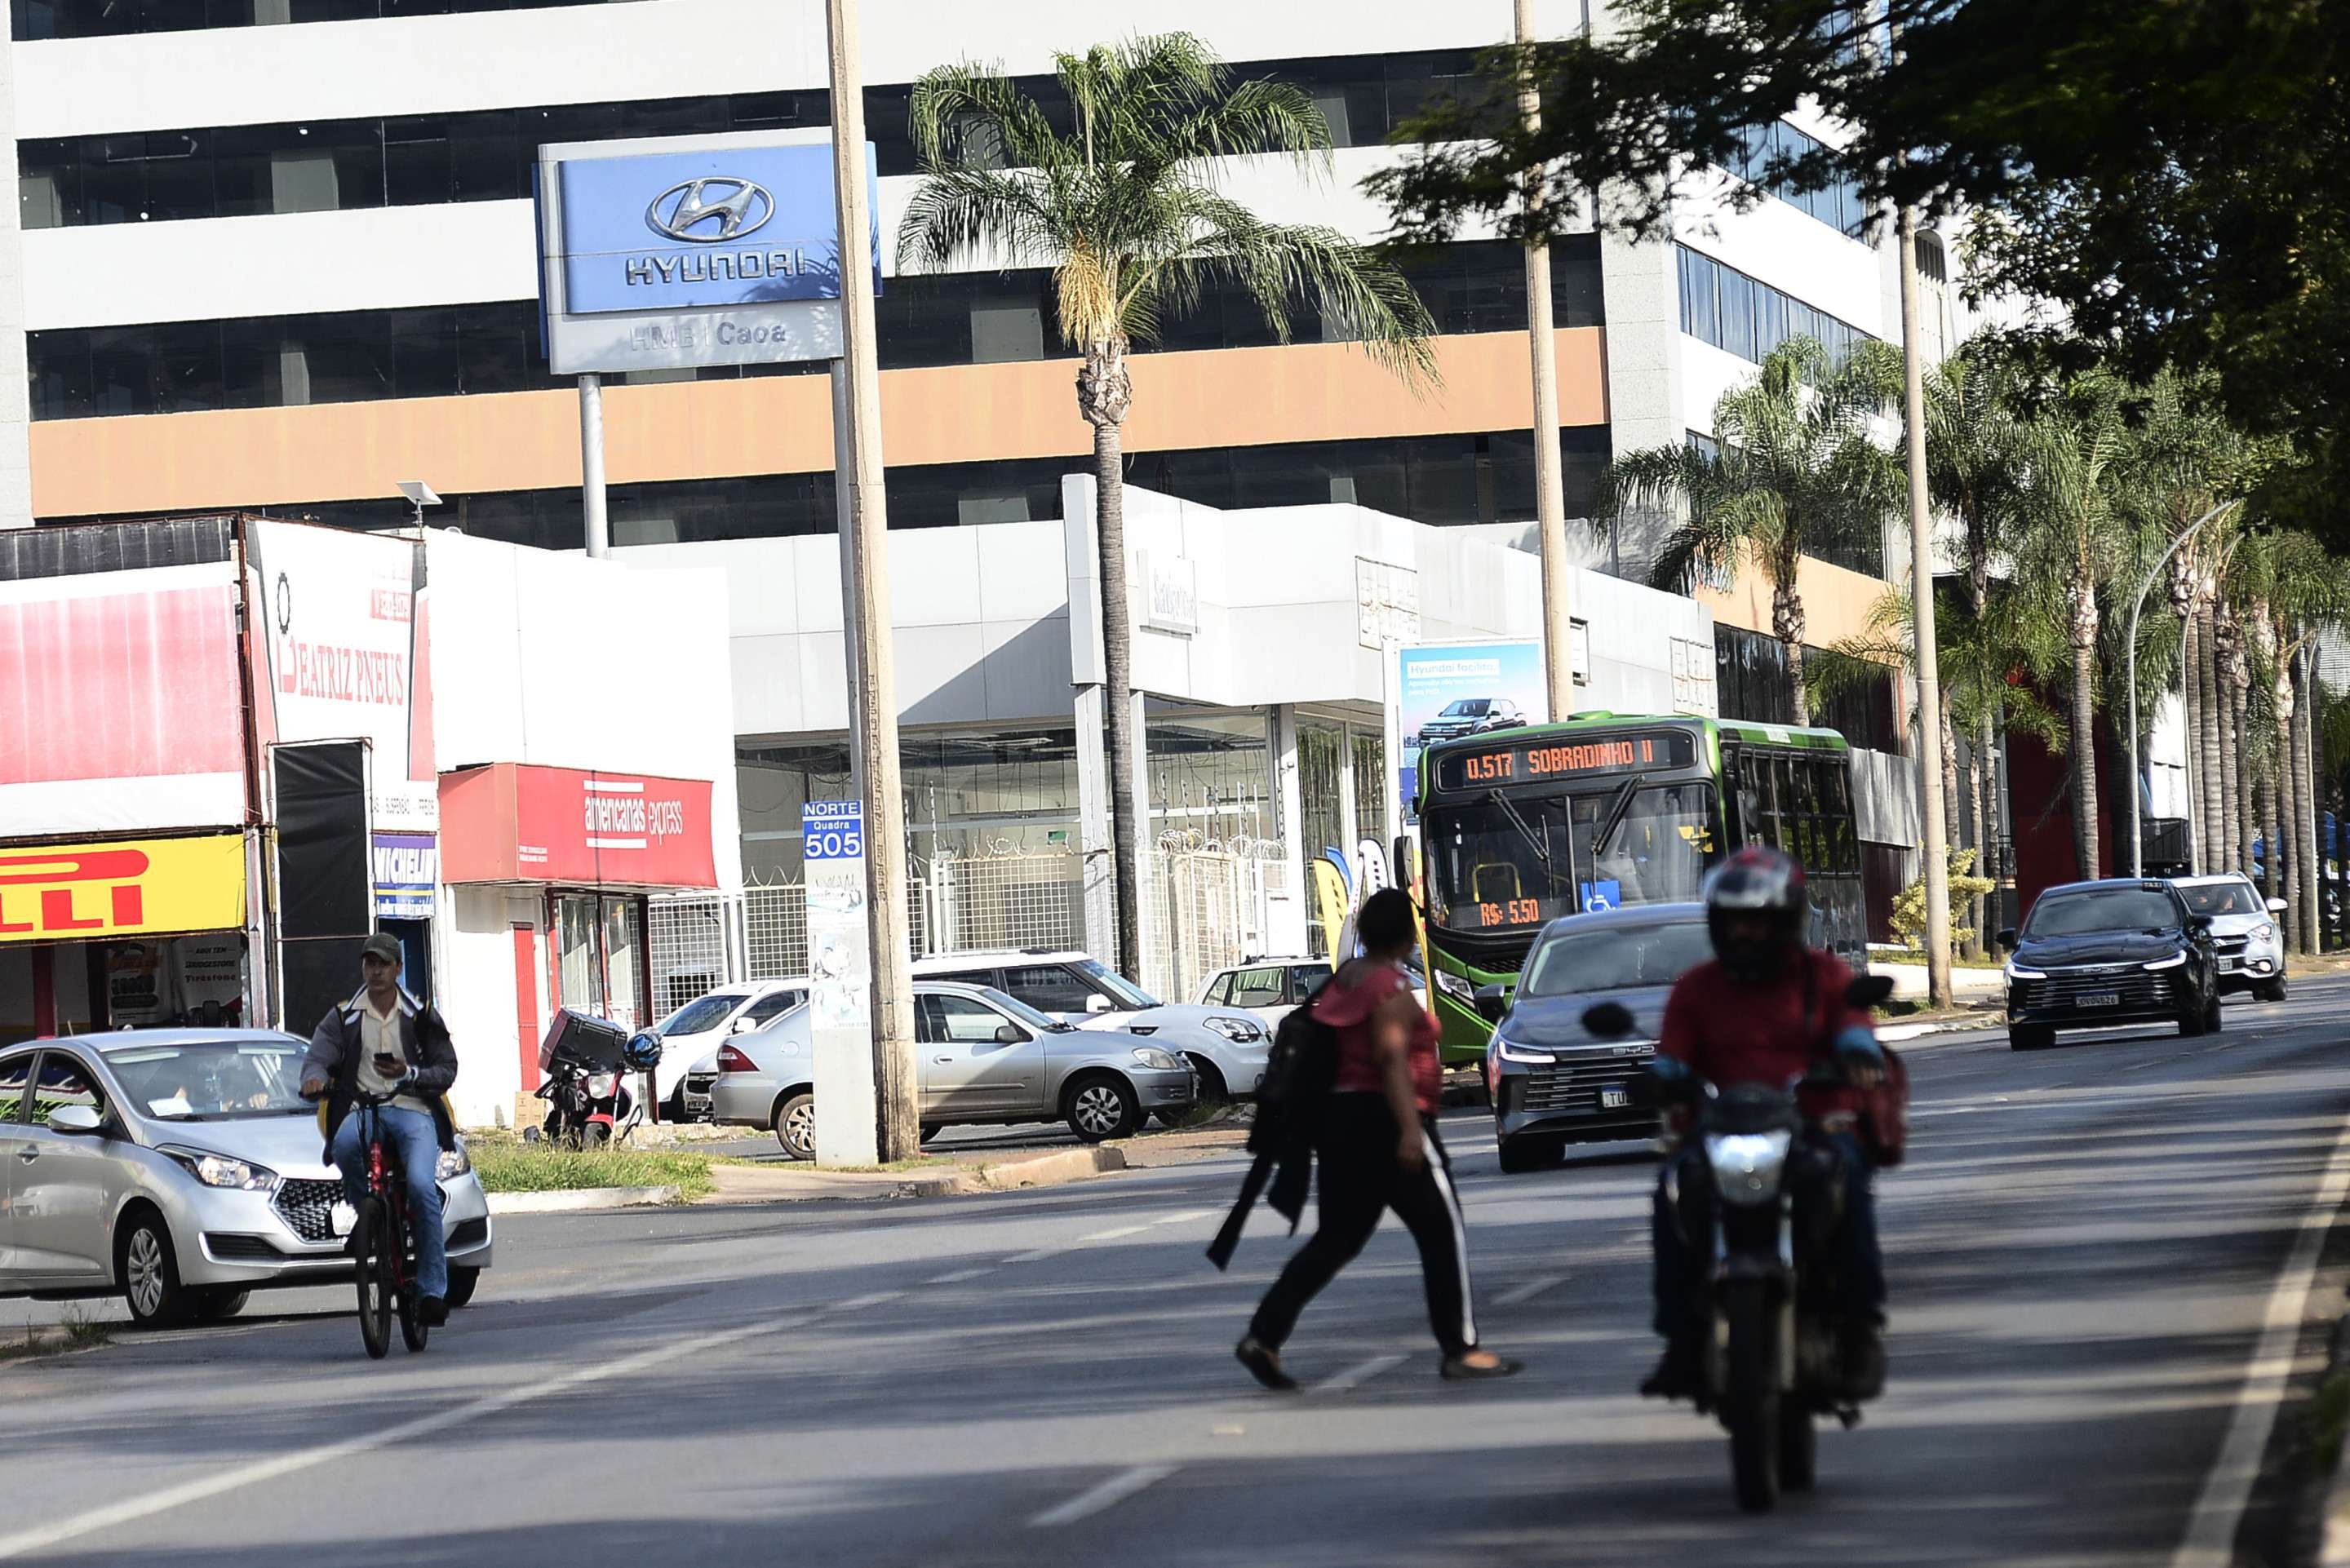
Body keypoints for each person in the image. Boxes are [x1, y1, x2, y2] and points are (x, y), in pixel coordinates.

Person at [1237, 888, 1519, 1388]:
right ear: (1408, 933)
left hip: (1340, 1124)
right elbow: (1391, 1059)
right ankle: (1462, 1348)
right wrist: (1410, 1130)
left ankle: (1264, 1335)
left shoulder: (1345, 979)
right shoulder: (1389, 986)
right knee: (1443, 1233)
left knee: (1337, 1239)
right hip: (1390, 1119)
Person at [1643, 846, 1887, 1401]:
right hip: (1719, 1131)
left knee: (1848, 1180)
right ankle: (1680, 1339)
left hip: (1810, 1128)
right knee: (1671, 1193)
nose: (1745, 933)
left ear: (1785, 919)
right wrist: (1662, 1076)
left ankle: (1860, 1329)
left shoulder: (1823, 975)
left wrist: (1855, 1051)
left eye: (1757, 920)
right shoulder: (1696, 987)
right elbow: (1673, 1053)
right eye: (1734, 921)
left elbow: (1853, 1022)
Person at [299, 933, 460, 1326]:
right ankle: (366, 1213)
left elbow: (447, 1068)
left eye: (384, 964)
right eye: (369, 963)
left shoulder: (421, 1014)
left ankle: (431, 1292)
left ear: (398, 969)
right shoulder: (344, 1015)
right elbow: (317, 1057)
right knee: (343, 1146)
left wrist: (410, 1074)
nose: (375, 971)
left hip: (413, 1109)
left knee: (422, 1187)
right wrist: (315, 1078)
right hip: (363, 1107)